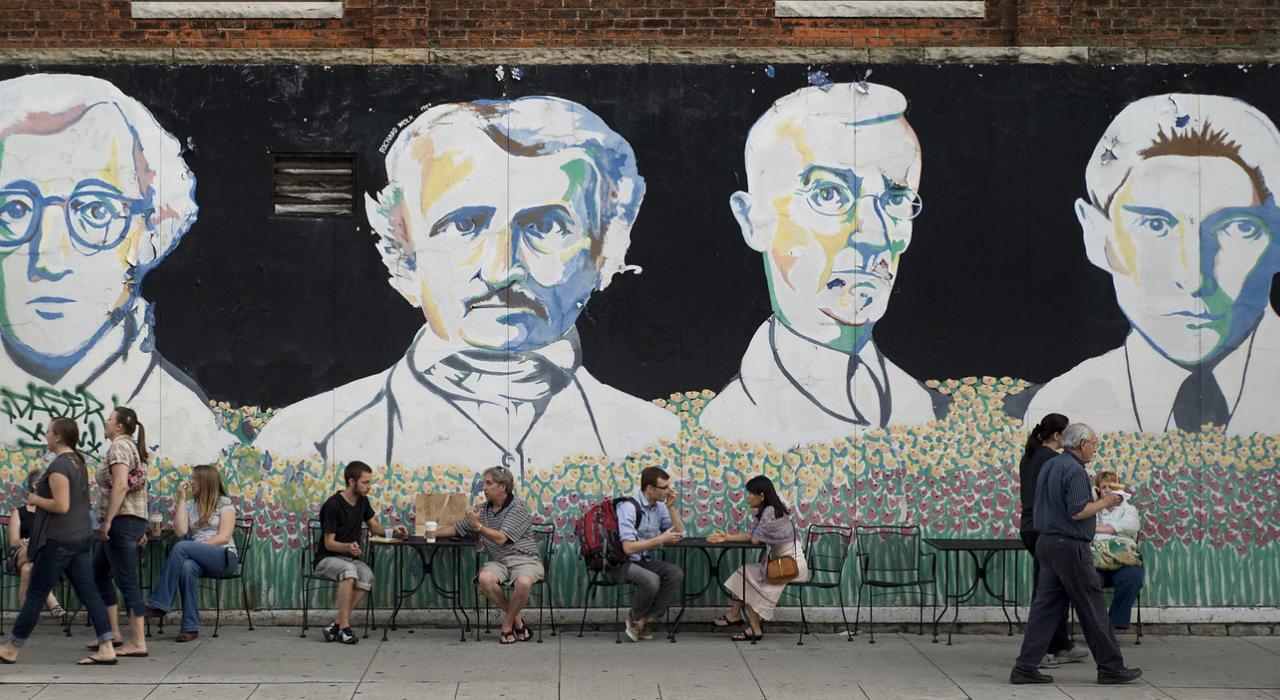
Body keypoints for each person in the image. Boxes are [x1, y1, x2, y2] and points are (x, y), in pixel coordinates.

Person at [255, 96, 678, 475]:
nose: (501, 270)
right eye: (464, 225)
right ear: (402, 257)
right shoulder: (306, 441)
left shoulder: (660, 441)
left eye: (545, 225)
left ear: (606, 254)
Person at [0, 73, 236, 464]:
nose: (48, 257)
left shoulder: (187, 430)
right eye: (14, 210)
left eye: (96, 210)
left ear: (150, 229)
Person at [699, 82, 949, 449]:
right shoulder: (728, 425)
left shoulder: (920, 406)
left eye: (896, 199)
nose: (875, 234)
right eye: (829, 194)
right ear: (754, 222)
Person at [1025, 94, 1280, 436]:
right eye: (1155, 226)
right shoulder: (1062, 405)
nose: (1193, 277)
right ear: (1098, 237)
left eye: (1238, 227)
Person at [1010, 423, 1142, 685]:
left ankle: (1025, 667)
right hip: (1070, 547)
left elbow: (1056, 500)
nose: (1095, 448)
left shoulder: (1050, 464)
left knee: (1045, 609)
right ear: (1082, 445)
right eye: (1093, 443)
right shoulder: (1076, 470)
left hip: (1047, 543)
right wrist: (1106, 502)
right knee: (1092, 607)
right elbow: (1078, 511)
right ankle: (1111, 667)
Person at [0, 417, 117, 665]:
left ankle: (11, 648)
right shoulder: (77, 462)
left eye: (48, 431)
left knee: (35, 593)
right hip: (79, 538)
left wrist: (35, 497)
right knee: (89, 592)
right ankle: (107, 646)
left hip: (59, 540)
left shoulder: (60, 467)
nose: (46, 435)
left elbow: (61, 505)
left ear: (58, 437)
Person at [432, 466, 543, 643]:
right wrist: (430, 533)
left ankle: (507, 625)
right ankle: (518, 622)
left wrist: (477, 527)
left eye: (489, 483)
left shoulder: (518, 508)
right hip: (498, 561)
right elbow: (456, 528)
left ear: (503, 487)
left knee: (523, 582)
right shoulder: (482, 510)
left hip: (525, 559)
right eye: (484, 483)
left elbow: (501, 539)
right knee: (484, 578)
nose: (484, 487)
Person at [1017, 413, 1087, 669]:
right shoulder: (1054, 460)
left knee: (1053, 587)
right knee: (1048, 592)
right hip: (1044, 528)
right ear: (1058, 436)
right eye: (1067, 432)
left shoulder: (1030, 456)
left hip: (1031, 527)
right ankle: (1042, 650)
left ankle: (1058, 644)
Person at [313, 460, 407, 644]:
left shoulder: (363, 501)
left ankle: (336, 625)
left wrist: (394, 530)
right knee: (349, 572)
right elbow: (329, 543)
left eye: (370, 482)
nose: (369, 487)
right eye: (365, 482)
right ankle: (345, 629)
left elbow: (375, 528)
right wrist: (348, 547)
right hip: (327, 560)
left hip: (349, 559)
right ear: (351, 481)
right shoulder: (332, 505)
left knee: (367, 576)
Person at [144, 464, 239, 642]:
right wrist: (181, 499)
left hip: (224, 557)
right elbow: (180, 531)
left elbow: (224, 537)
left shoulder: (224, 503)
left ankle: (160, 603)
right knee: (187, 567)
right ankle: (190, 627)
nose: (190, 481)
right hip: (198, 558)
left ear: (205, 482)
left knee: (182, 547)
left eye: (194, 478)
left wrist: (195, 547)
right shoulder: (189, 505)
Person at [707, 475, 807, 641]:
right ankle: (735, 614)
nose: (747, 497)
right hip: (783, 564)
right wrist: (726, 537)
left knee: (750, 579)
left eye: (750, 493)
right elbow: (750, 535)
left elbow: (754, 539)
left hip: (791, 568)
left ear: (761, 496)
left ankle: (752, 627)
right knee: (744, 572)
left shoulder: (769, 512)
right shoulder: (767, 511)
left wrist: (731, 537)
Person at [92, 405, 150, 658]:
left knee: (126, 580)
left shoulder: (119, 447)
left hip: (121, 521)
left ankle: (138, 642)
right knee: (98, 573)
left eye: (108, 419)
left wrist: (107, 522)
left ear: (119, 426)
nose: (105, 422)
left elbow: (120, 486)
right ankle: (113, 633)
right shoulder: (129, 446)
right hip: (127, 521)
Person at [609, 466, 684, 642]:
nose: (668, 491)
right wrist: (660, 540)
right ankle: (636, 618)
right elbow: (627, 548)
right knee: (651, 580)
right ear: (650, 488)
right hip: (619, 562)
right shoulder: (628, 507)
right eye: (663, 487)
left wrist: (671, 508)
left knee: (674, 574)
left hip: (641, 560)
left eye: (668, 486)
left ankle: (641, 620)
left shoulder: (660, 507)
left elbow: (679, 535)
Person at [7, 470, 66, 620]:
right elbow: (14, 542)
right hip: (20, 554)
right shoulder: (19, 513)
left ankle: (25, 618)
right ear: (35, 485)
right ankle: (52, 601)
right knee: (37, 552)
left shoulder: (50, 512)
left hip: (40, 559)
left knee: (29, 569)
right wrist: (32, 543)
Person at [1091, 470, 1145, 631]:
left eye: (1111, 486)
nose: (1107, 489)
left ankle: (1114, 624)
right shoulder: (1092, 510)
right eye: (1103, 487)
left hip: (1123, 561)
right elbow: (1083, 531)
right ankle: (1096, 625)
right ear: (1098, 490)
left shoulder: (1128, 509)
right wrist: (1092, 500)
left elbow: (1131, 526)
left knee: (1133, 576)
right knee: (1088, 580)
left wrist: (1098, 529)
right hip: (1097, 562)